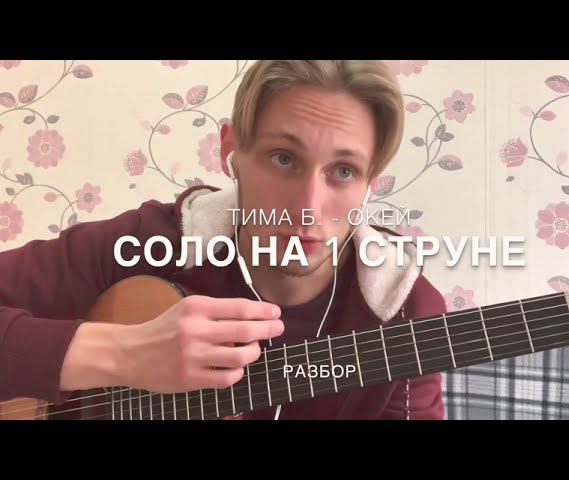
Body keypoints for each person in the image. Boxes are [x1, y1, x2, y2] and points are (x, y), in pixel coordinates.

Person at [0, 60, 446, 419]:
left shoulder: (408, 315)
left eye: (344, 171)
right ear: (230, 150)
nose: (308, 209)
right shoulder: (150, 241)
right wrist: (124, 355)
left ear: (369, 184)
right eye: (283, 158)